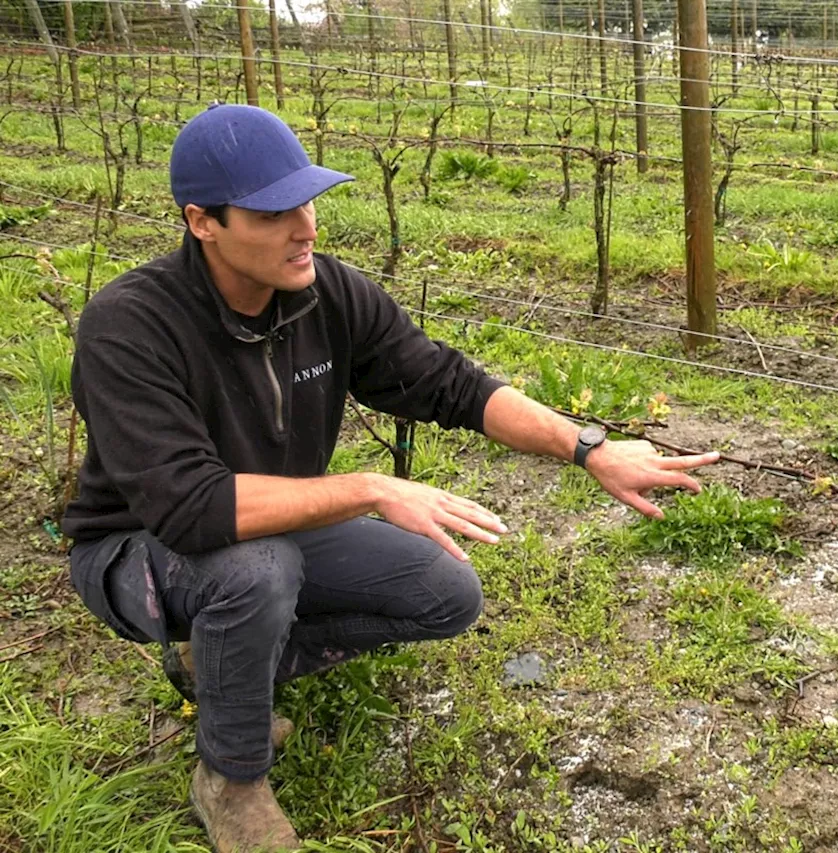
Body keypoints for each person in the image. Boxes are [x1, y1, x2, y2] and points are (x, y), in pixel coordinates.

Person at [62, 103, 719, 853]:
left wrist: (589, 448)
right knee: (256, 570)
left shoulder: (325, 294)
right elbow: (191, 506)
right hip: (135, 548)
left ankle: (228, 665)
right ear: (202, 221)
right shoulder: (130, 326)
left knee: (444, 588)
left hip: (269, 528)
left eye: (307, 200)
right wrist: (374, 487)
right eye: (274, 212)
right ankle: (231, 777)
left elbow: (450, 384)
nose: (305, 226)